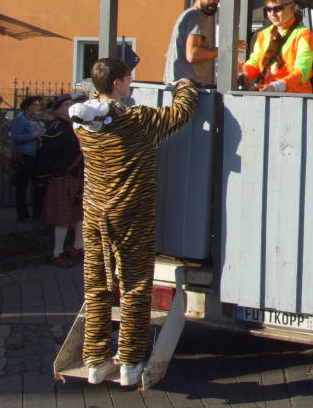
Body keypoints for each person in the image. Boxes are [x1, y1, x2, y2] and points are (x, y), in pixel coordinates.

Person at [70, 58, 197, 386]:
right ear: (116, 84)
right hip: (132, 214)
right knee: (135, 286)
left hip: (95, 212)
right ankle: (129, 362)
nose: (131, 84)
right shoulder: (137, 120)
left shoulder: (81, 124)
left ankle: (95, 361)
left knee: (96, 286)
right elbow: (181, 113)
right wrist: (185, 86)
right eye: (128, 79)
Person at [38, 93, 86, 268]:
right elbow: (46, 156)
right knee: (62, 218)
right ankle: (57, 252)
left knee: (79, 215)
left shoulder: (77, 126)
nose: (69, 108)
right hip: (62, 177)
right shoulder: (56, 129)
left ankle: (78, 246)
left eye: (71, 104)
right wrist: (42, 178)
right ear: (57, 111)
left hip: (78, 177)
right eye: (65, 105)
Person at [241, 0, 313, 93]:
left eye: (278, 9)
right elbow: (254, 63)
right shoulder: (263, 34)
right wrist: (241, 73)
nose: (272, 14)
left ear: (292, 7)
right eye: (268, 9)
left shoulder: (304, 35)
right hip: (268, 98)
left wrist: (277, 86)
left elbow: (302, 72)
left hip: (296, 101)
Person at [163, 0, 220, 87]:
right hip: (186, 90)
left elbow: (167, 54)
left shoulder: (189, 14)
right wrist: (225, 50)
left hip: (176, 87)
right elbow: (192, 55)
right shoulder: (197, 16)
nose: (213, 0)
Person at [11, 95, 45, 221]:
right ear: (27, 107)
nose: (37, 107)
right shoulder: (20, 119)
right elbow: (15, 138)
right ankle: (23, 215)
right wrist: (33, 135)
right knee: (22, 186)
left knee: (37, 184)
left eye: (38, 105)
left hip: (36, 155)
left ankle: (37, 213)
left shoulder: (36, 119)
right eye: (34, 105)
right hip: (24, 156)